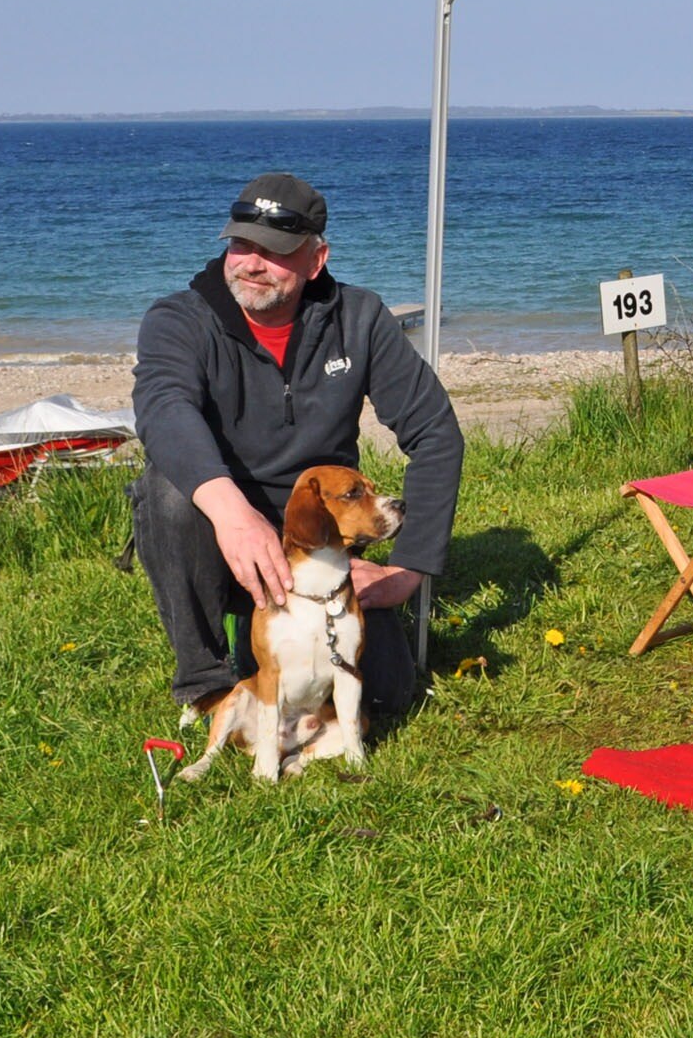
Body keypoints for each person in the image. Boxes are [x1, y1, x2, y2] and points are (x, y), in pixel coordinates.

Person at [132, 172, 465, 719]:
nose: (250, 263)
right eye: (240, 244)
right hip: (222, 534)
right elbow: (165, 411)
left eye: (274, 250)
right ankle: (207, 685)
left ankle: (271, 646)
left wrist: (408, 571)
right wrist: (233, 513)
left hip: (322, 544)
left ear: (316, 259)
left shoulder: (359, 319)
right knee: (168, 490)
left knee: (383, 697)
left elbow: (436, 434)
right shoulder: (177, 320)